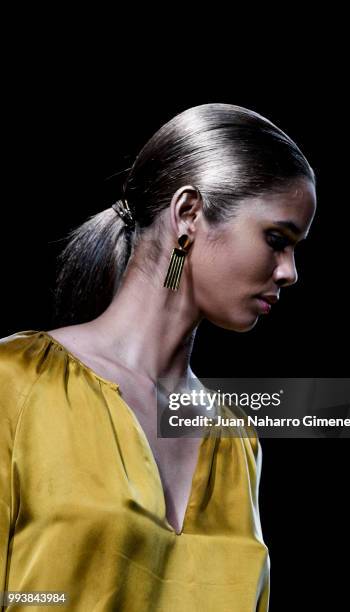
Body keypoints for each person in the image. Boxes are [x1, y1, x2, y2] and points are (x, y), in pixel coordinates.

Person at [0, 103, 316, 611]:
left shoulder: (238, 444)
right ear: (188, 214)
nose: (289, 272)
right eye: (276, 240)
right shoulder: (17, 381)